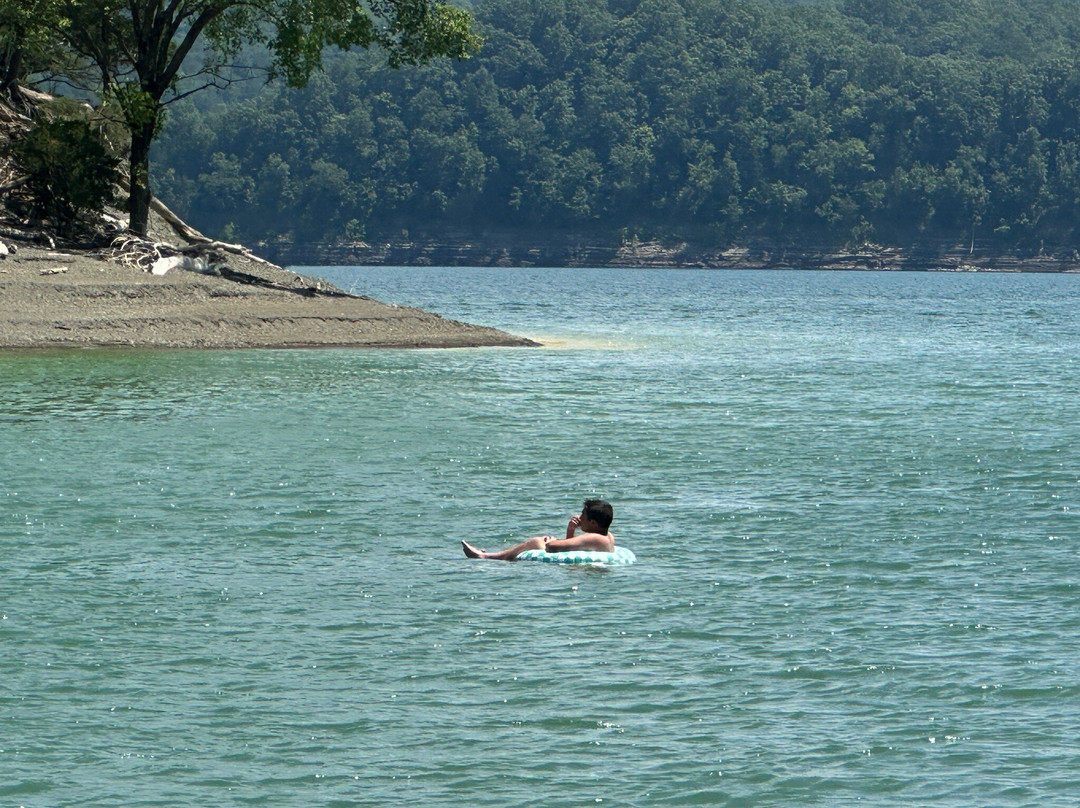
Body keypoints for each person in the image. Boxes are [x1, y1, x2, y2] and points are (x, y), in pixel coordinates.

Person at [462, 499, 615, 561]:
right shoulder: (608, 536)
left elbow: (552, 547)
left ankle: (486, 556)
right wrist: (570, 531)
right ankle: (488, 555)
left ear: (593, 522)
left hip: (569, 568)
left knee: (537, 542)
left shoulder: (593, 537)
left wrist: (549, 541)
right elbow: (572, 548)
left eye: (583, 515)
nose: (579, 517)